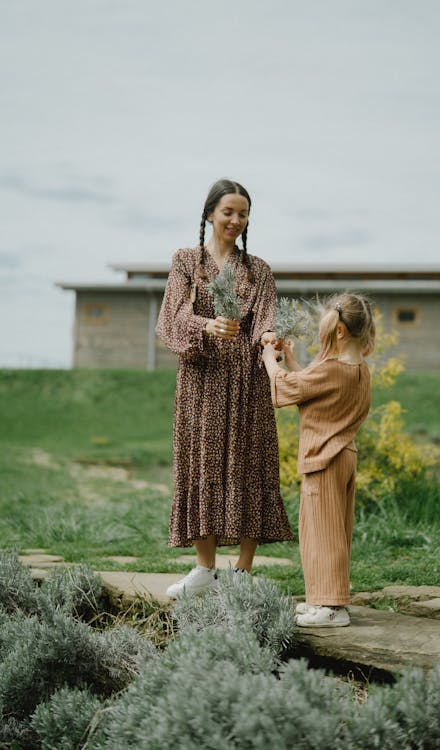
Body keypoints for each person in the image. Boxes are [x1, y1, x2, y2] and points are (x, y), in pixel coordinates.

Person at [156, 178, 293, 596]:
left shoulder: (259, 270)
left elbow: (266, 319)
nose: (236, 220)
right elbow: (169, 320)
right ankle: (204, 569)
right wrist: (207, 325)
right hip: (201, 382)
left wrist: (269, 339)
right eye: (228, 212)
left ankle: (243, 572)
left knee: (251, 465)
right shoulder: (185, 262)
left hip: (248, 383)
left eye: (243, 214)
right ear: (210, 213)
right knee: (201, 465)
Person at [262, 293, 375, 627]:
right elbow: (315, 391)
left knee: (322, 535)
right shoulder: (358, 369)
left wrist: (272, 360)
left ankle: (331, 608)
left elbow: (288, 390)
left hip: (324, 458)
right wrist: (295, 363)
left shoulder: (332, 369)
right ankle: (321, 600)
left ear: (339, 331)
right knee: (329, 532)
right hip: (343, 455)